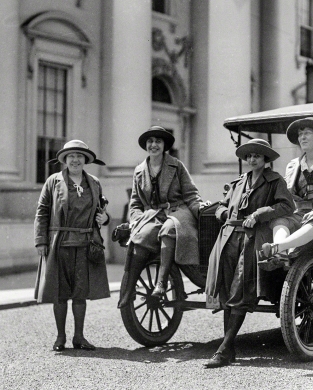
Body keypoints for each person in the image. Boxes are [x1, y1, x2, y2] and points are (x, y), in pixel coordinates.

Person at [204, 139, 295, 368]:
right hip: (228, 239)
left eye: (257, 156)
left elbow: (287, 207)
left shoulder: (275, 181)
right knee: (225, 290)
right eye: (249, 156)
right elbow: (222, 206)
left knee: (241, 289)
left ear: (266, 159)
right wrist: (224, 214)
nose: (252, 159)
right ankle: (229, 347)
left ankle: (224, 349)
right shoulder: (238, 183)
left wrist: (261, 213)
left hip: (253, 239)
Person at [118, 126, 207, 308]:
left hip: (179, 212)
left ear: (164, 145)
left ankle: (161, 284)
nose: (154, 145)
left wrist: (200, 210)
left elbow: (190, 195)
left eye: (158, 141)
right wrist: (136, 221)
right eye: (150, 142)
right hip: (153, 215)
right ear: (146, 146)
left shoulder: (177, 165)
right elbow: (135, 203)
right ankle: (129, 290)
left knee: (169, 229)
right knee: (139, 237)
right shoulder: (139, 170)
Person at [34, 140, 110, 352]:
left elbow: (101, 212)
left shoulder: (94, 182)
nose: (75, 160)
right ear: (65, 160)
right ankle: (60, 337)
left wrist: (105, 218)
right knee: (59, 293)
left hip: (85, 243)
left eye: (79, 156)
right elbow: (42, 212)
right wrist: (40, 240)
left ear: (85, 159)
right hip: (58, 244)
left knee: (80, 293)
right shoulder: (53, 181)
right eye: (71, 156)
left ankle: (79, 336)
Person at [258, 117, 313, 264]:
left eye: (307, 133)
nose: (302, 137)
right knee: (280, 220)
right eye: (300, 134)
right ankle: (282, 253)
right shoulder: (293, 165)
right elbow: (289, 198)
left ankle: (278, 247)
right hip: (302, 214)